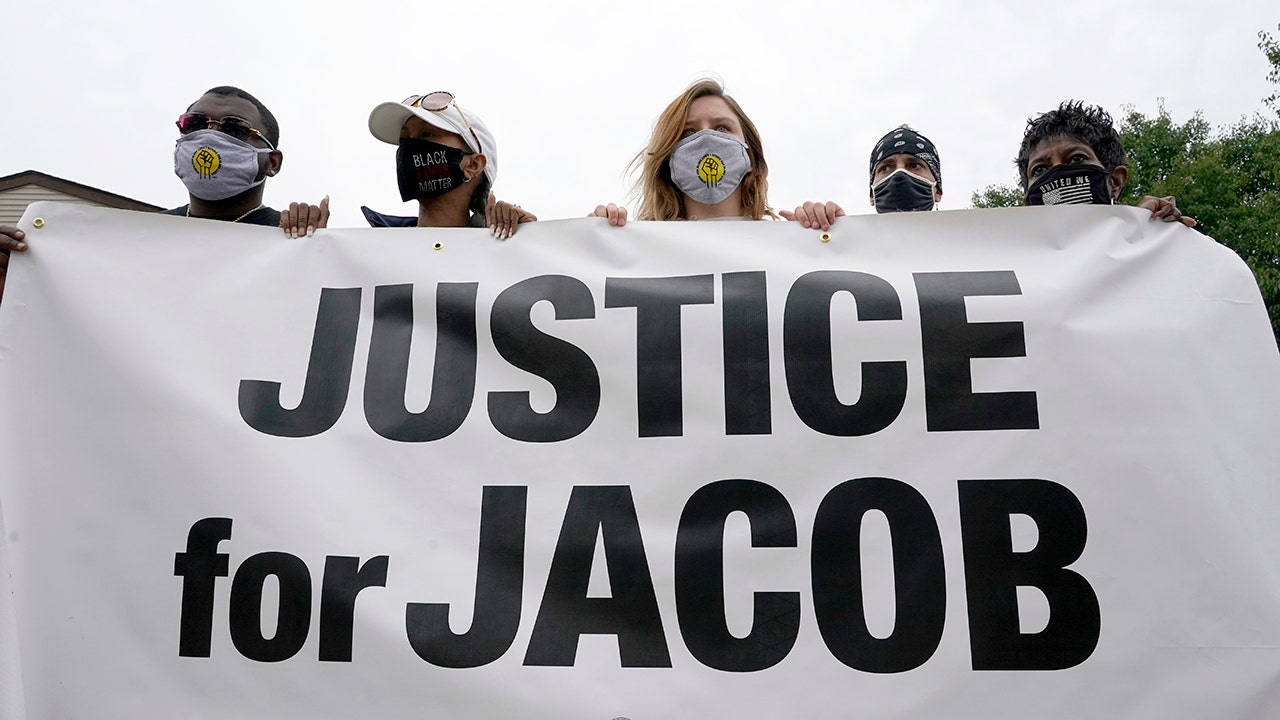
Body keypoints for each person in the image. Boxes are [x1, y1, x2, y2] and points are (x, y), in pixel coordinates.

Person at [1, 86, 327, 306]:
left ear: (273, 162)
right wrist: (13, 283)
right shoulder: (134, 241)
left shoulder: (291, 238)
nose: (208, 135)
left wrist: (319, 253)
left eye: (235, 128)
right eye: (194, 124)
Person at [590, 78, 776, 226]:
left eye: (721, 128)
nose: (706, 138)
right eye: (688, 133)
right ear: (669, 161)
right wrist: (595, 241)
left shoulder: (780, 244)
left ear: (750, 157)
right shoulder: (643, 247)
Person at [361, 91, 533, 239]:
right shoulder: (375, 249)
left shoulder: (503, 250)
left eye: (427, 134)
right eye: (404, 139)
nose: (409, 147)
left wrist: (530, 238)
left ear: (473, 165)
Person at [1017, 100, 1195, 225]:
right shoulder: (1010, 258)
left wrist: (1149, 231)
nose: (1057, 172)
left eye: (1076, 159)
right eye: (1039, 169)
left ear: (1115, 180)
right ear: (1028, 201)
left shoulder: (1154, 242)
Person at [782, 124, 944, 231]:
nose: (899, 174)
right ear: (872, 195)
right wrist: (823, 235)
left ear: (937, 190)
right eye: (886, 168)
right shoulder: (850, 249)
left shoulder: (960, 245)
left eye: (914, 165)